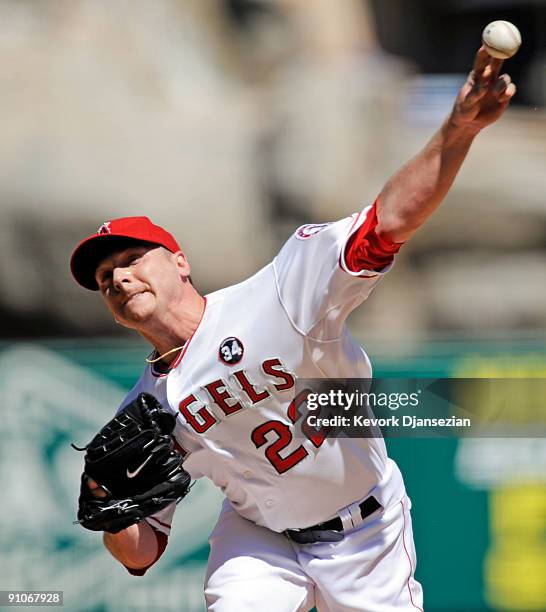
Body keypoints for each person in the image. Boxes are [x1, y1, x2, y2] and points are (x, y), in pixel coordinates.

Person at [70, 47, 515, 611]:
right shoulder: (145, 408)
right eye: (105, 276)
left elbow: (388, 223)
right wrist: (111, 509)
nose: (118, 276)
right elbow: (141, 554)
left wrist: (457, 131)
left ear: (179, 261)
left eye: (132, 258)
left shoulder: (277, 295)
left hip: (364, 532)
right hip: (258, 541)